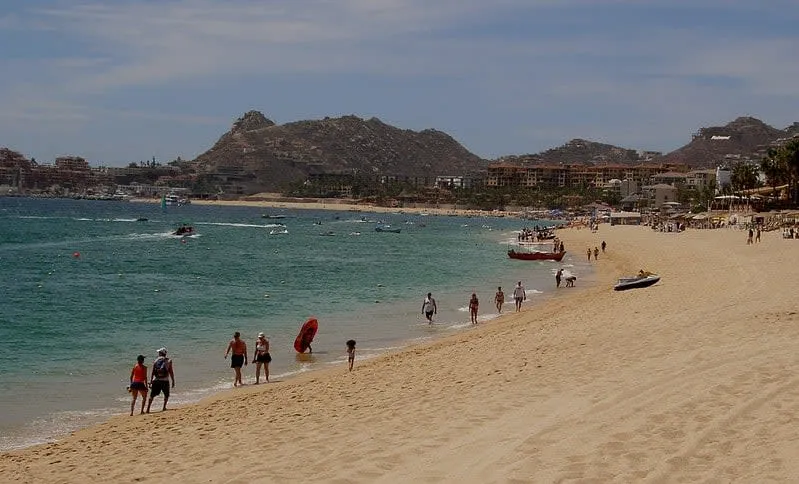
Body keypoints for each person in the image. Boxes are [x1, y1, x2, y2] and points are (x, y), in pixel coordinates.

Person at [147, 348, 174, 413]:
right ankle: (164, 407)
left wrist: (151, 381)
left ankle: (148, 409)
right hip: (165, 380)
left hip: (156, 380)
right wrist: (173, 380)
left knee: (152, 395)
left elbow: (153, 372)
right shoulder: (169, 361)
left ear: (160, 353)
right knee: (166, 395)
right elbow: (171, 371)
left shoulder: (155, 360)